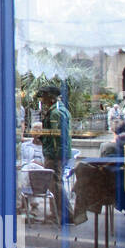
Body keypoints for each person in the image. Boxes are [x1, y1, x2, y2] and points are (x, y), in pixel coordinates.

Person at [31, 85, 72, 221]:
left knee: (56, 184)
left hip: (55, 155)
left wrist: (42, 137)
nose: (42, 99)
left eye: (44, 96)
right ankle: (57, 213)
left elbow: (57, 134)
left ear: (51, 97)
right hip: (56, 153)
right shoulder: (57, 110)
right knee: (54, 184)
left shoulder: (56, 112)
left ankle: (64, 215)